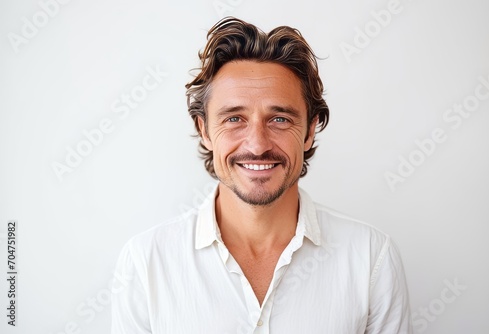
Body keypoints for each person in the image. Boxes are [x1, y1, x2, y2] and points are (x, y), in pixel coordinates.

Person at [111, 17, 413, 333]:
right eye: (234, 119)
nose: (257, 145)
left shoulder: (371, 258)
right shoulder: (145, 263)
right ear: (205, 131)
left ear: (310, 131)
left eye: (280, 119)